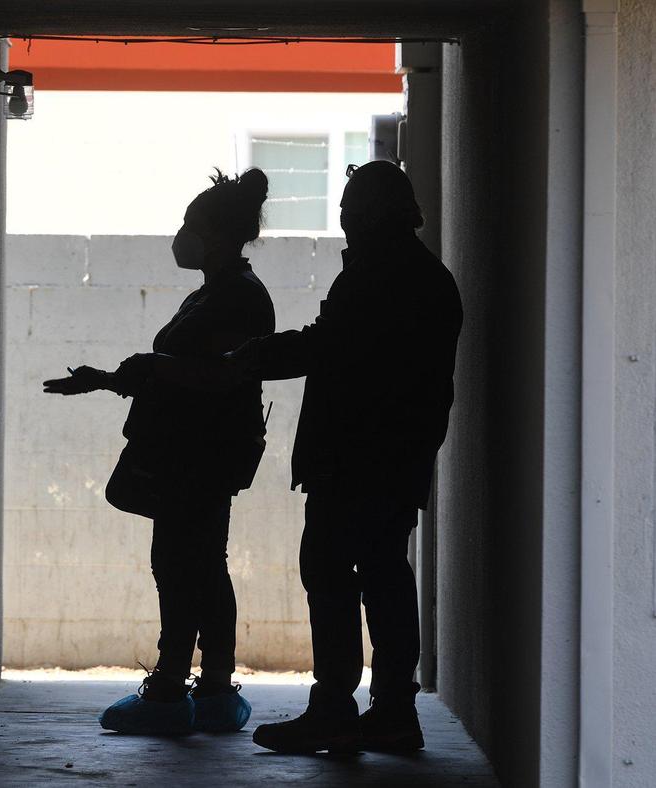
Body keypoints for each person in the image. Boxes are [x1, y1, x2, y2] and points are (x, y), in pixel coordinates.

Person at [226, 160, 463, 754]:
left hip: (356, 459)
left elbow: (330, 347)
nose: (342, 216)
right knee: (383, 576)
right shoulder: (424, 275)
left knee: (331, 576)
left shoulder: (379, 275)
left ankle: (335, 708)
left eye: (351, 206)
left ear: (376, 212)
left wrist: (251, 357)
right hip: (395, 460)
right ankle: (390, 713)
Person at [43, 168, 275, 735]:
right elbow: (185, 374)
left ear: (216, 235)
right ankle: (214, 691)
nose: (181, 236)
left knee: (178, 566)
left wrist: (141, 369)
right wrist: (110, 379)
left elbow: (216, 376)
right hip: (200, 454)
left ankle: (171, 689)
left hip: (198, 457)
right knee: (203, 565)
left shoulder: (237, 297)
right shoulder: (219, 292)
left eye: (191, 225)